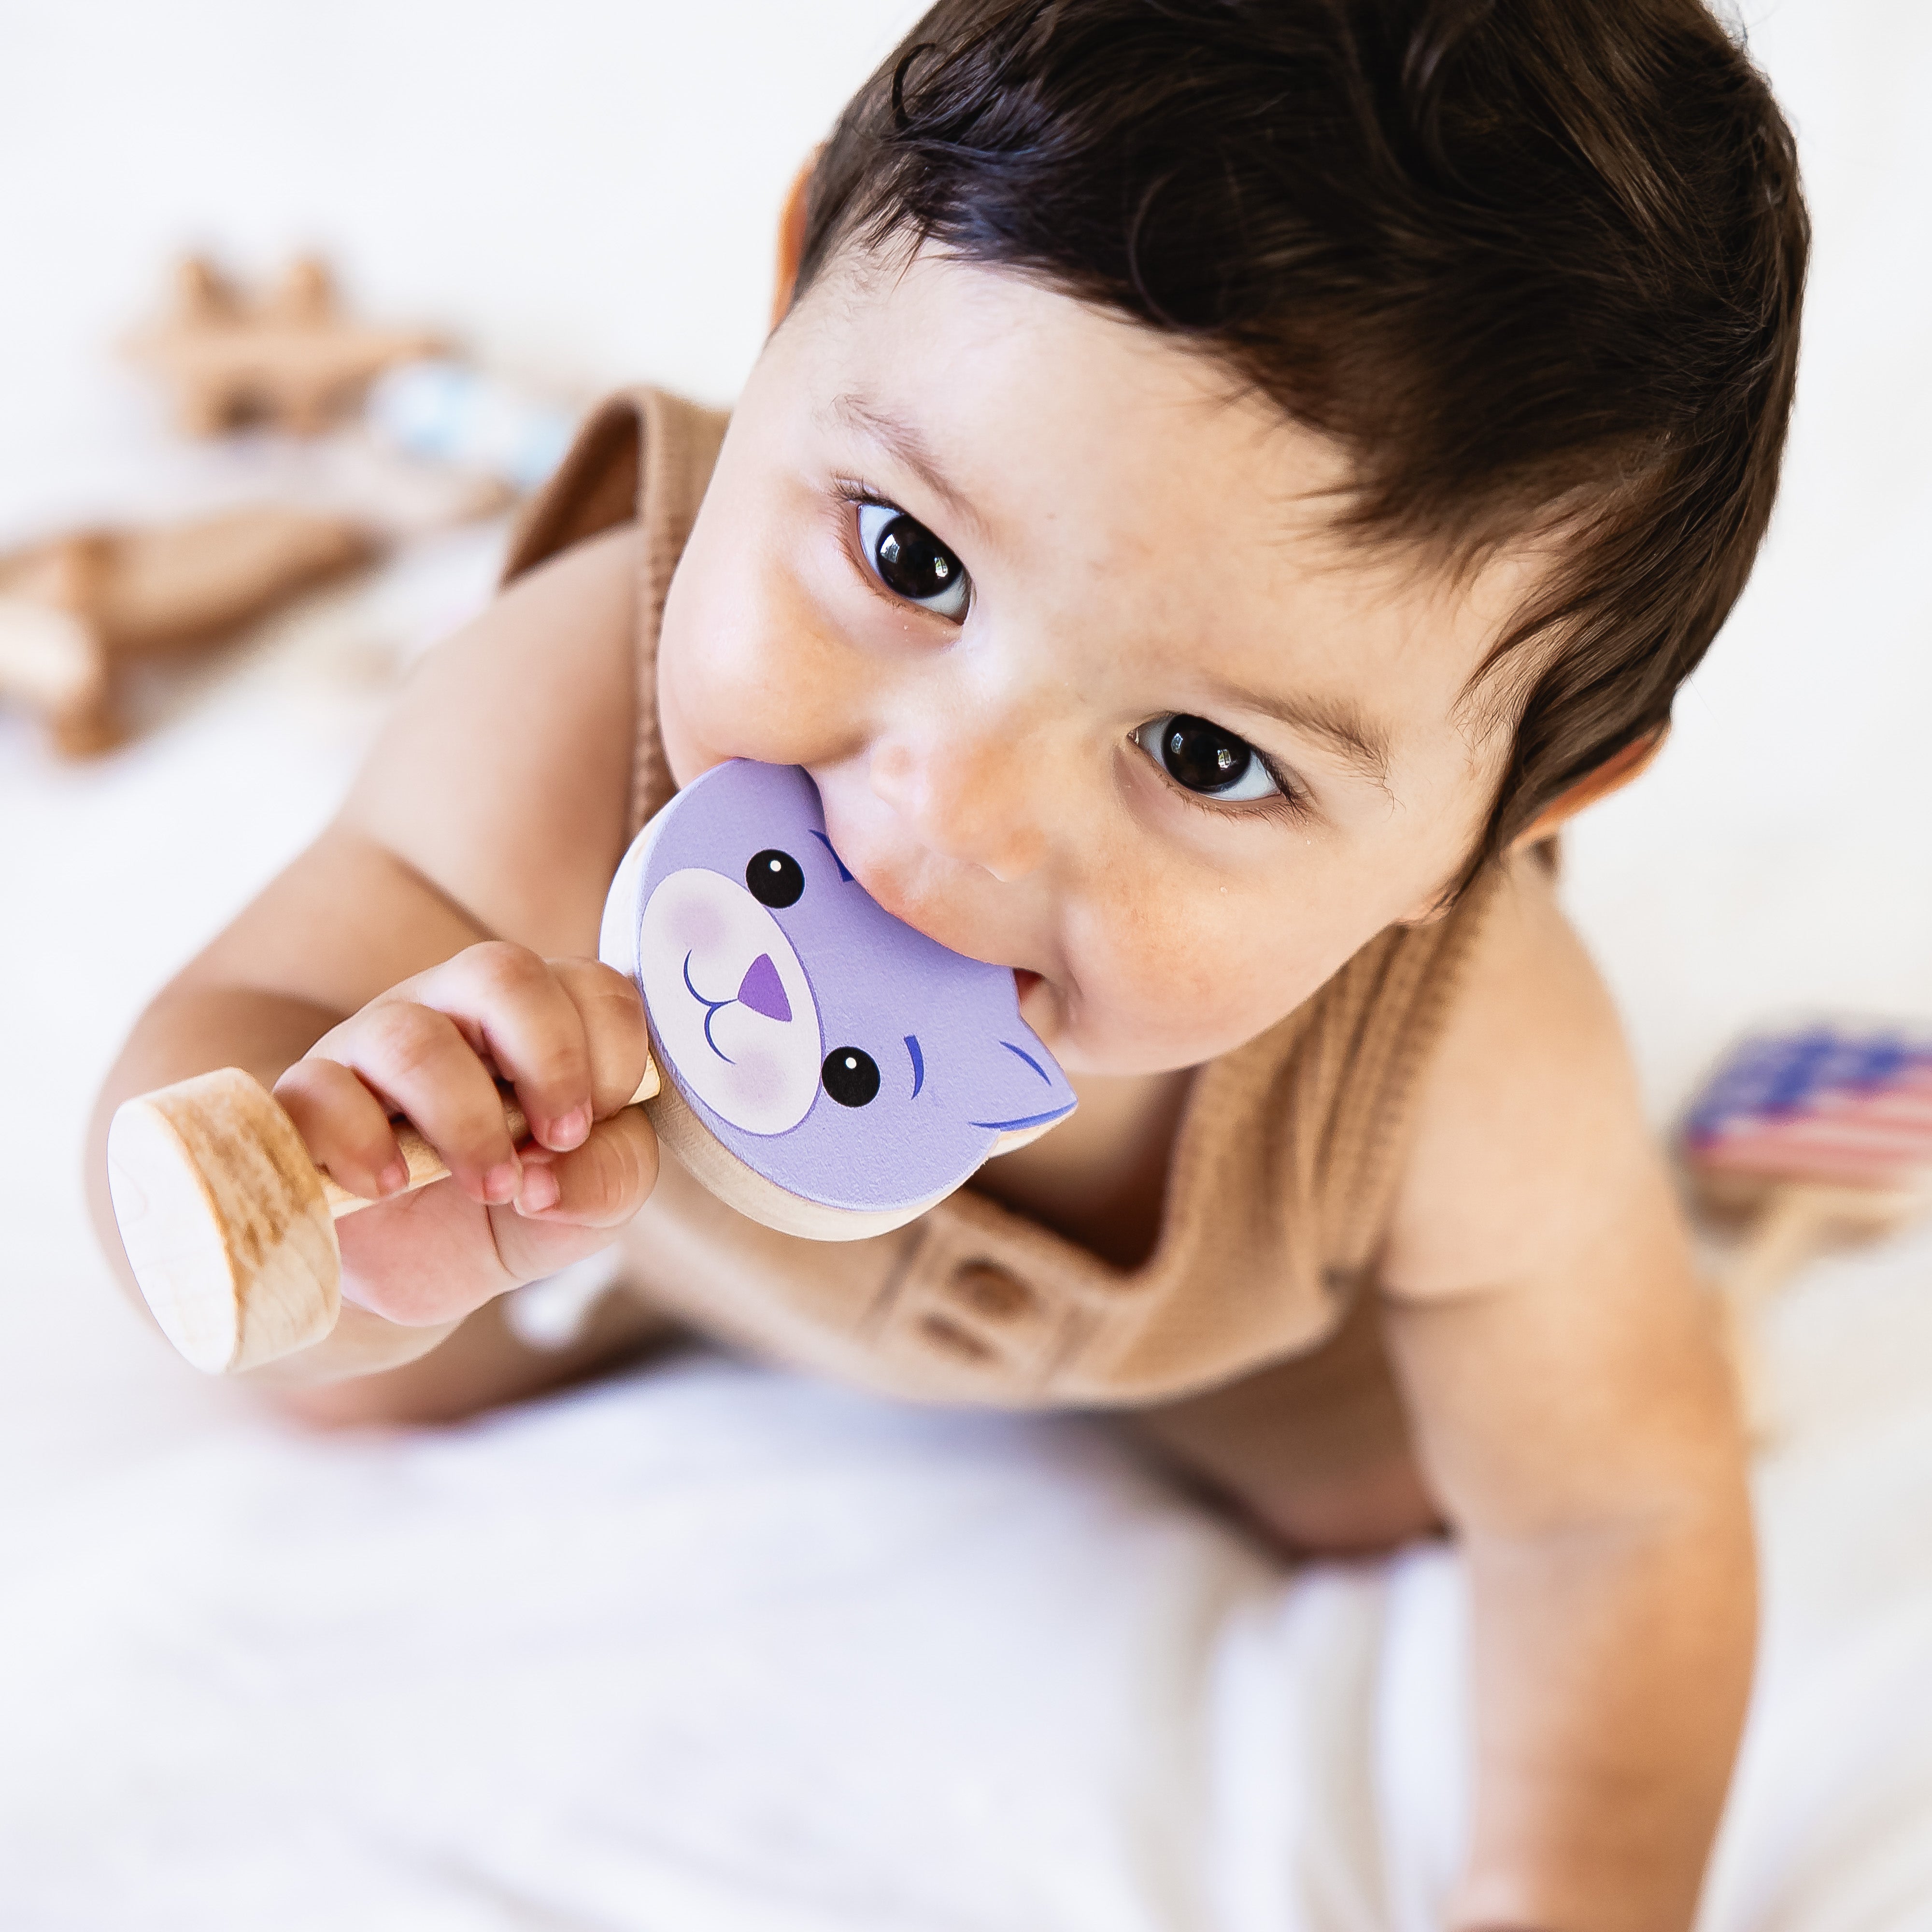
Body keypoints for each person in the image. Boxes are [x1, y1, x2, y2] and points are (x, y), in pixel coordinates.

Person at [89, 2, 1808, 1924]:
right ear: (790, 293)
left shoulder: (1466, 1059)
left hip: (1218, 1322)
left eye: (1206, 756)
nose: (939, 826)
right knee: (351, 1358)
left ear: (1517, 810)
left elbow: (1618, 1517)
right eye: (907, 558)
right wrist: (338, 1164)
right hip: (622, 1198)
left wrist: (1572, 1891)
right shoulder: (570, 724)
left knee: (1402, 1482)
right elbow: (193, 1092)